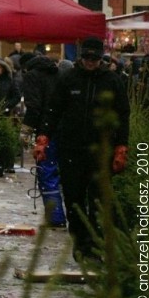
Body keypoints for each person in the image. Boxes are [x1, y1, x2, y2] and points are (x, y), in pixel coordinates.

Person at [39, 36, 130, 261]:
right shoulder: (69, 79)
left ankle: (96, 245)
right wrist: (43, 137)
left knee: (99, 200)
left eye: (95, 58)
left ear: (101, 59)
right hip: (71, 149)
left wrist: (121, 146)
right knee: (74, 199)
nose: (91, 62)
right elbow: (53, 109)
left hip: (102, 150)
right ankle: (80, 245)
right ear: (81, 57)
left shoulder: (112, 81)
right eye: (87, 57)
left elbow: (123, 114)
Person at [20, 54, 66, 227]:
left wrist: (26, 130)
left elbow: (34, 106)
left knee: (47, 172)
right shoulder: (59, 73)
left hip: (46, 132)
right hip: (65, 129)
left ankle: (55, 217)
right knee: (65, 174)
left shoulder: (32, 76)